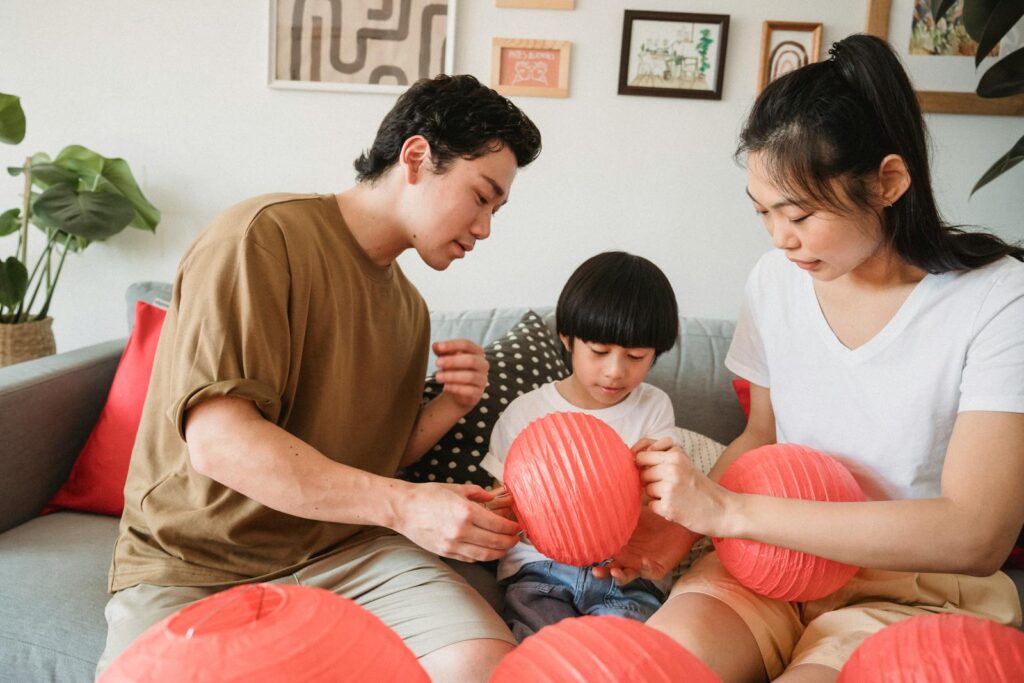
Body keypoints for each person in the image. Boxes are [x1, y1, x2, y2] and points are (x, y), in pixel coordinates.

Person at [97, 74, 542, 681]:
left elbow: (369, 461)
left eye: (497, 208)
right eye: (481, 196)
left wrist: (451, 406)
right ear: (416, 158)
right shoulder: (261, 237)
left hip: (345, 552)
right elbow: (219, 442)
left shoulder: (409, 310)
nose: (485, 227)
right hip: (194, 563)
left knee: (488, 669)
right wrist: (407, 507)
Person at [623, 34, 1024, 681]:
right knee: (652, 668)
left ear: (888, 180)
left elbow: (977, 533)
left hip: (909, 590)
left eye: (800, 213)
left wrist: (726, 510)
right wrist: (677, 533)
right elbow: (761, 432)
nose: (781, 238)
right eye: (763, 212)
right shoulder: (775, 278)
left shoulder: (997, 297)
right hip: (766, 561)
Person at [481, 251, 691, 641]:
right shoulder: (526, 412)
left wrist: (638, 486)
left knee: (627, 655)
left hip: (622, 578)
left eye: (635, 356)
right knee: (537, 655)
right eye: (598, 351)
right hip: (540, 572)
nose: (615, 370)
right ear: (567, 338)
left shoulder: (652, 406)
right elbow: (501, 504)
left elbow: (665, 507)